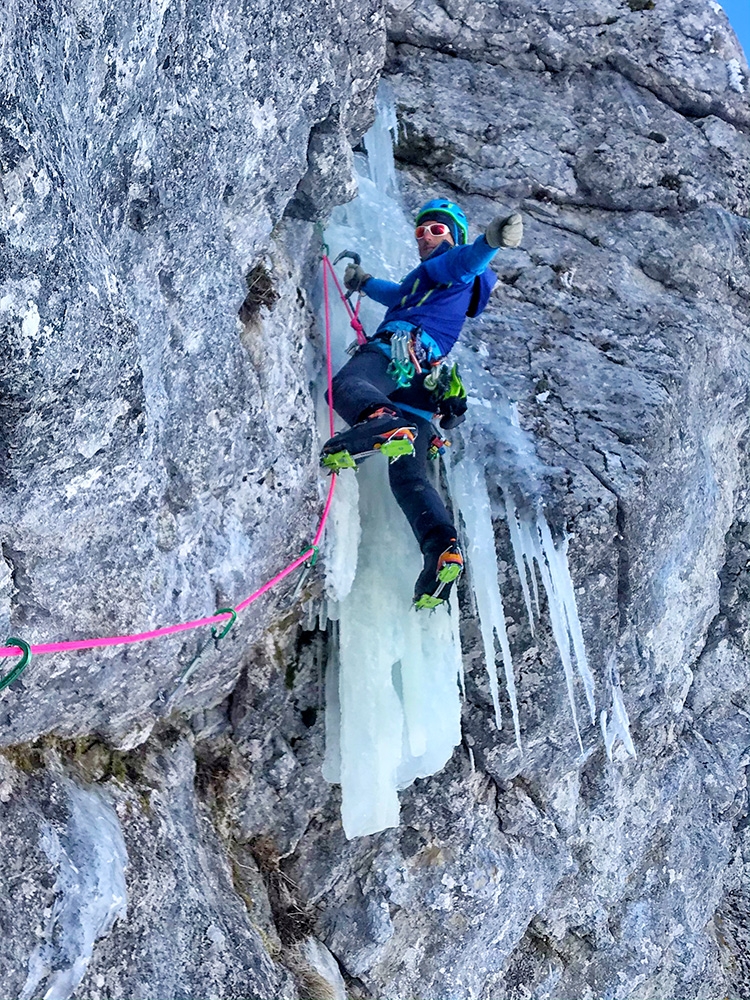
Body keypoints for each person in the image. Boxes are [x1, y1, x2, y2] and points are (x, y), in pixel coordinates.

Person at [321, 198, 523, 610]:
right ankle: (442, 551)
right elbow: (397, 293)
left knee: (347, 385)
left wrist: (490, 241)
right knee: (410, 480)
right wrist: (363, 282)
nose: (426, 238)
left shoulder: (451, 266)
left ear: (453, 237)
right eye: (420, 231)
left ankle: (380, 420)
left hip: (400, 351)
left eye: (436, 230)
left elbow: (468, 261)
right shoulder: (428, 282)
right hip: (422, 388)